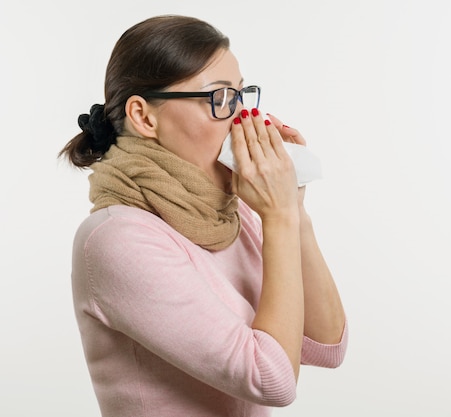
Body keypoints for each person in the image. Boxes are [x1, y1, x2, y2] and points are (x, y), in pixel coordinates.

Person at [59, 14, 348, 417]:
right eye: (219, 99)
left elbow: (326, 343)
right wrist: (278, 217)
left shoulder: (234, 213)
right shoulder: (116, 238)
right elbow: (271, 379)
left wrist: (293, 209)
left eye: (240, 96)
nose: (241, 119)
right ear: (144, 117)